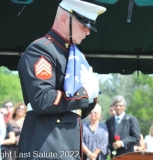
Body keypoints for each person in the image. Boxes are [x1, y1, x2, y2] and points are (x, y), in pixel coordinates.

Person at [16, 0, 106, 159]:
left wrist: (91, 98)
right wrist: (84, 93)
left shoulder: (74, 55)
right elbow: (42, 99)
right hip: (45, 145)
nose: (88, 31)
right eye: (83, 25)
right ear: (65, 19)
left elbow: (79, 111)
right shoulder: (41, 49)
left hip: (66, 146)